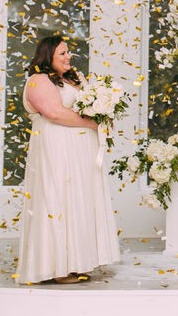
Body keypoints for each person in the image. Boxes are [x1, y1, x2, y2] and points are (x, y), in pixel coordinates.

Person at [16, 36, 119, 285]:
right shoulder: (38, 80)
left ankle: (77, 262)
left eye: (68, 52)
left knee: (78, 201)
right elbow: (55, 113)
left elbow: (87, 106)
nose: (68, 57)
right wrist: (94, 124)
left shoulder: (74, 78)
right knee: (57, 198)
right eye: (62, 53)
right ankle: (56, 267)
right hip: (56, 149)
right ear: (47, 55)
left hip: (80, 153)